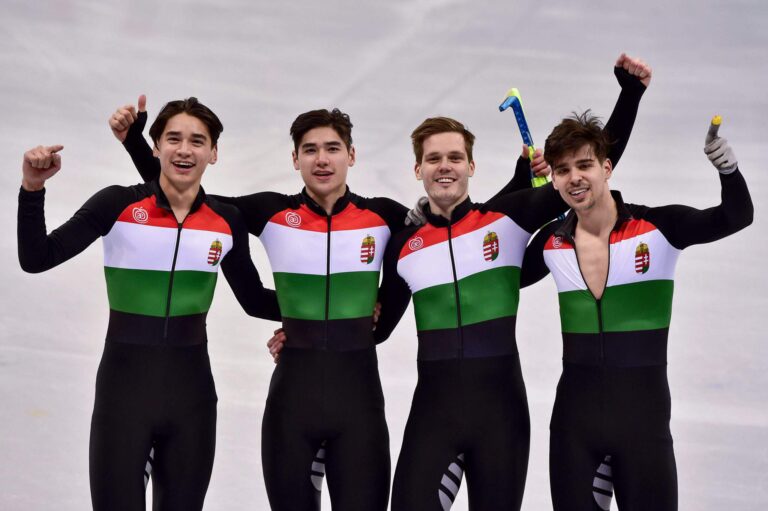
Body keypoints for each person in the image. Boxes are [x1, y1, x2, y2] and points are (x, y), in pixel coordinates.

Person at [365, 56, 651, 511]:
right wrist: (299, 333)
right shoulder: (403, 246)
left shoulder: (508, 219)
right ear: (417, 169)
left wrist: (630, 94)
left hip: (501, 418)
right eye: (433, 158)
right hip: (432, 418)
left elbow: (587, 170)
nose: (444, 166)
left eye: (455, 157)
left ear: (472, 166)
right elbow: (377, 327)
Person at [114, 105, 413, 510]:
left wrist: (373, 314)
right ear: (295, 159)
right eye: (309, 150)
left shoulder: (385, 216)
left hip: (361, 411)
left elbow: (447, 234)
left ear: (351, 155)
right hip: (291, 412)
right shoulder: (271, 212)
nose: (321, 160)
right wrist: (303, 321)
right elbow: (182, 191)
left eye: (332, 148)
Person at [18, 98, 281, 511]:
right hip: (123, 399)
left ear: (214, 153)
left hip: (192, 402)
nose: (184, 150)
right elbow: (37, 258)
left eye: (197, 141)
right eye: (173, 139)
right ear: (155, 147)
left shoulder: (226, 220)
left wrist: (344, 311)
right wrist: (32, 190)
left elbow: (254, 299)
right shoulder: (117, 205)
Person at [520, 112, 753, 510]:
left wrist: (728, 171)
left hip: (643, 428)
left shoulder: (660, 226)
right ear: (553, 179)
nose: (574, 177)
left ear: (607, 168)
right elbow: (491, 273)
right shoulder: (551, 243)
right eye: (563, 170)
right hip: (574, 430)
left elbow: (735, 217)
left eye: (584, 165)